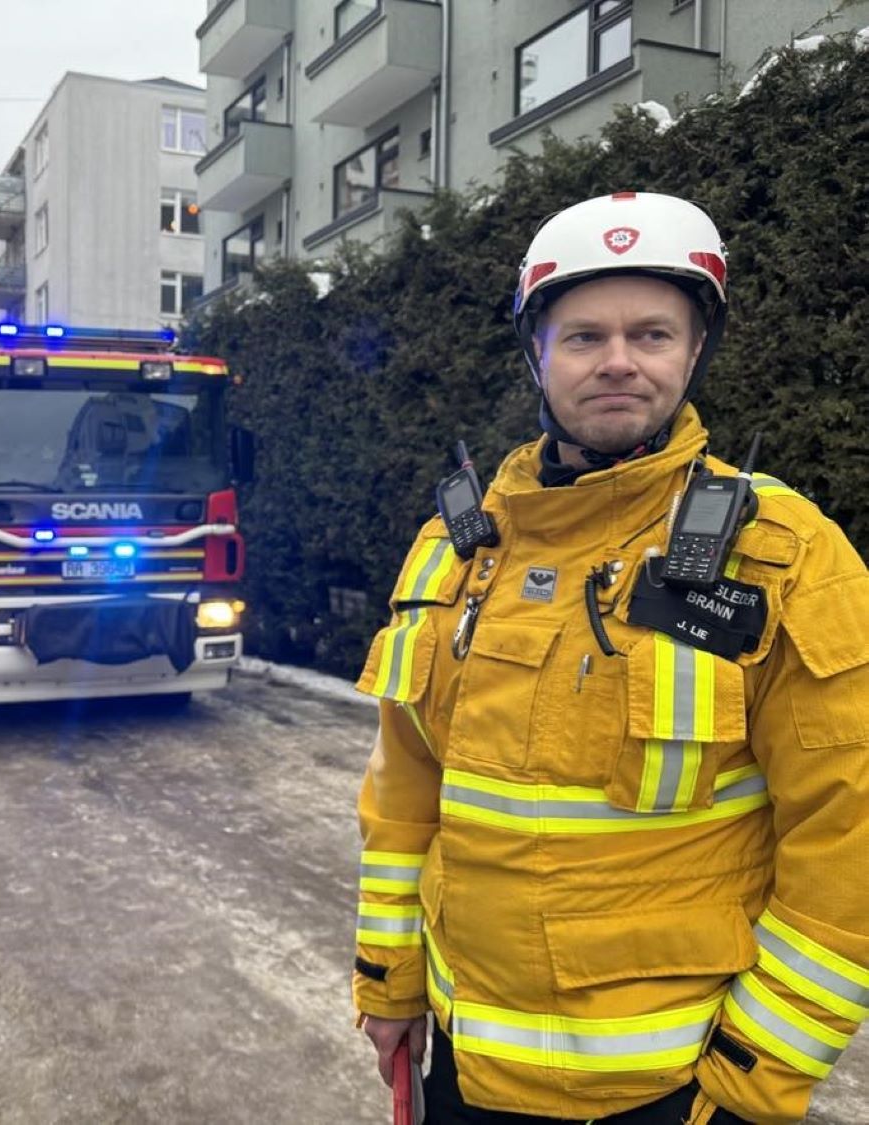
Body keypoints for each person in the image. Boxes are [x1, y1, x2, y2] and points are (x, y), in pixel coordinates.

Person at [352, 191, 869, 1124]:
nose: (619, 361)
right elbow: (402, 797)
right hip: (467, 1076)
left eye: (653, 334)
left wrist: (758, 1069)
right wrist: (389, 981)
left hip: (675, 1092)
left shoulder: (784, 553)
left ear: (694, 351)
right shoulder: (457, 548)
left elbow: (850, 836)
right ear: (537, 354)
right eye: (584, 336)